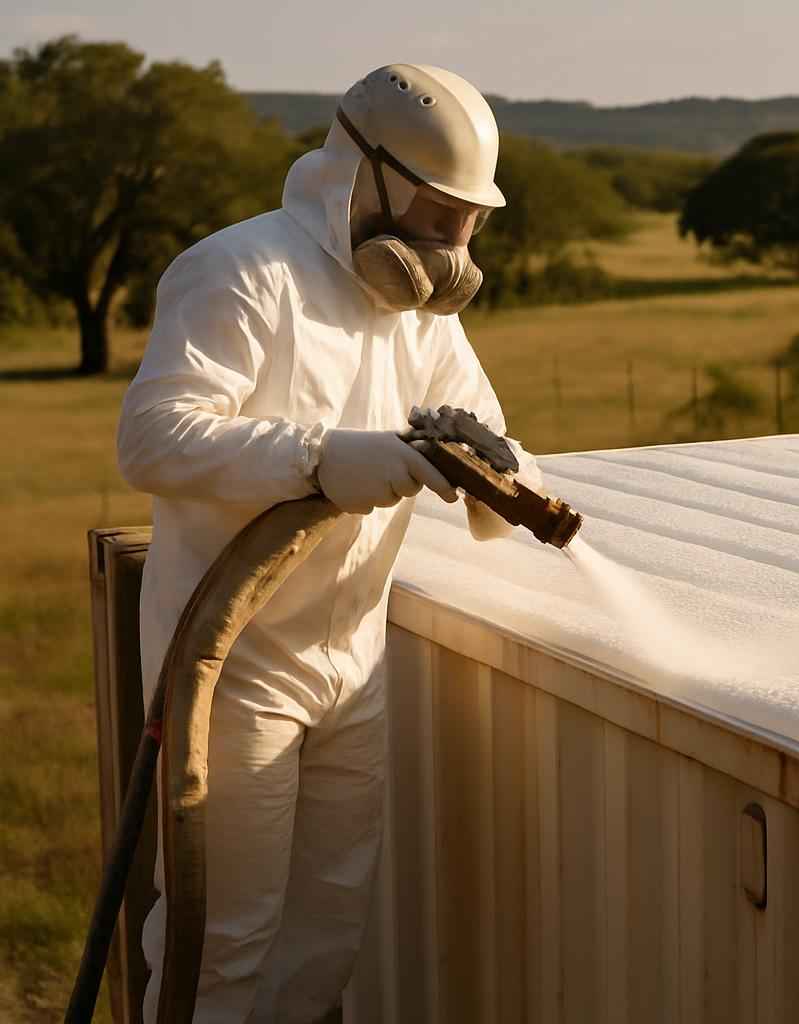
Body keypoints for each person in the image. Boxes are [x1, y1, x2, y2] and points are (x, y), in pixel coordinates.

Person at [116, 63, 530, 1022]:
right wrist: (326, 458)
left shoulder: (415, 316)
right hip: (233, 665)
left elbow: (496, 444)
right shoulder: (241, 271)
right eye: (436, 212)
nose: (453, 245)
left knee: (326, 934)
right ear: (364, 173)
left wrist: (508, 476)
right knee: (223, 936)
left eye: (470, 221)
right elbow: (153, 437)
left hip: (355, 660)